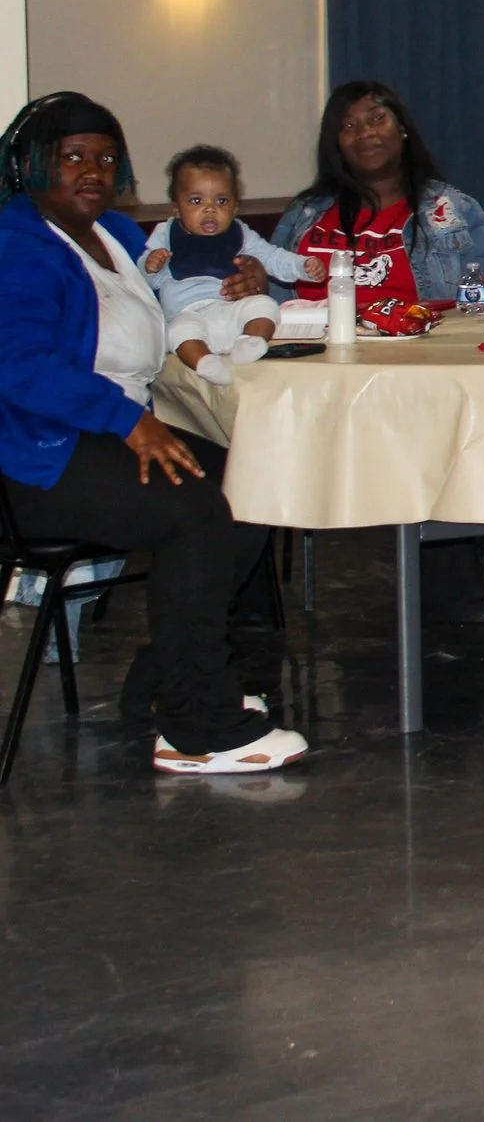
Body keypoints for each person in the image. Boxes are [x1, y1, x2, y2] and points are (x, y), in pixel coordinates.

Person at [0, 93, 305, 775]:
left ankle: (171, 683)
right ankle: (199, 726)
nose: (93, 170)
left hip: (108, 435)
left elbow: (190, 280)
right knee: (197, 510)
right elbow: (18, 364)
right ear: (30, 163)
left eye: (106, 158)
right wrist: (127, 420)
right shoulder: (17, 242)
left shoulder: (114, 233)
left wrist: (244, 280)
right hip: (43, 456)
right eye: (73, 155)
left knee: (248, 481)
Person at [273, 80, 484, 305]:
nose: (365, 133)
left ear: (401, 128)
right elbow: (272, 296)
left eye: (377, 118)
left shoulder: (455, 210)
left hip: (415, 338)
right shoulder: (304, 212)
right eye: (348, 126)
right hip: (316, 338)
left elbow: (483, 303)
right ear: (337, 144)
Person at [141, 145, 324, 385]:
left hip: (229, 312)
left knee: (264, 305)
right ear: (176, 207)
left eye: (222, 201)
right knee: (177, 332)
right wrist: (151, 265)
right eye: (196, 200)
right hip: (187, 314)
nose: (210, 209)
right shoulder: (166, 233)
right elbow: (146, 280)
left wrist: (303, 266)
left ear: (235, 207)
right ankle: (204, 362)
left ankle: (250, 341)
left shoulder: (241, 234)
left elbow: (272, 257)